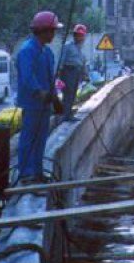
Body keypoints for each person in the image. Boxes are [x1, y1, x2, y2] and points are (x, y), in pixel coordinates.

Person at [16, 11, 63, 183]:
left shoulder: (47, 53)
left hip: (44, 105)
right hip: (32, 103)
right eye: (52, 31)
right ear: (44, 31)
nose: (54, 34)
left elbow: (51, 79)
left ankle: (37, 171)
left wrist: (56, 99)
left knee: (41, 139)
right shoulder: (27, 51)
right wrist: (39, 92)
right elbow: (27, 77)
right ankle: (26, 173)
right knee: (28, 138)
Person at [60, 24, 90, 119]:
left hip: (76, 72)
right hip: (68, 71)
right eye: (79, 35)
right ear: (75, 35)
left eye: (82, 36)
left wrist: (85, 75)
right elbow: (61, 60)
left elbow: (81, 62)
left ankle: (68, 113)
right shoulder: (68, 46)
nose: (81, 38)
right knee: (68, 93)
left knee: (73, 93)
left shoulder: (79, 48)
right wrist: (59, 74)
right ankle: (65, 115)